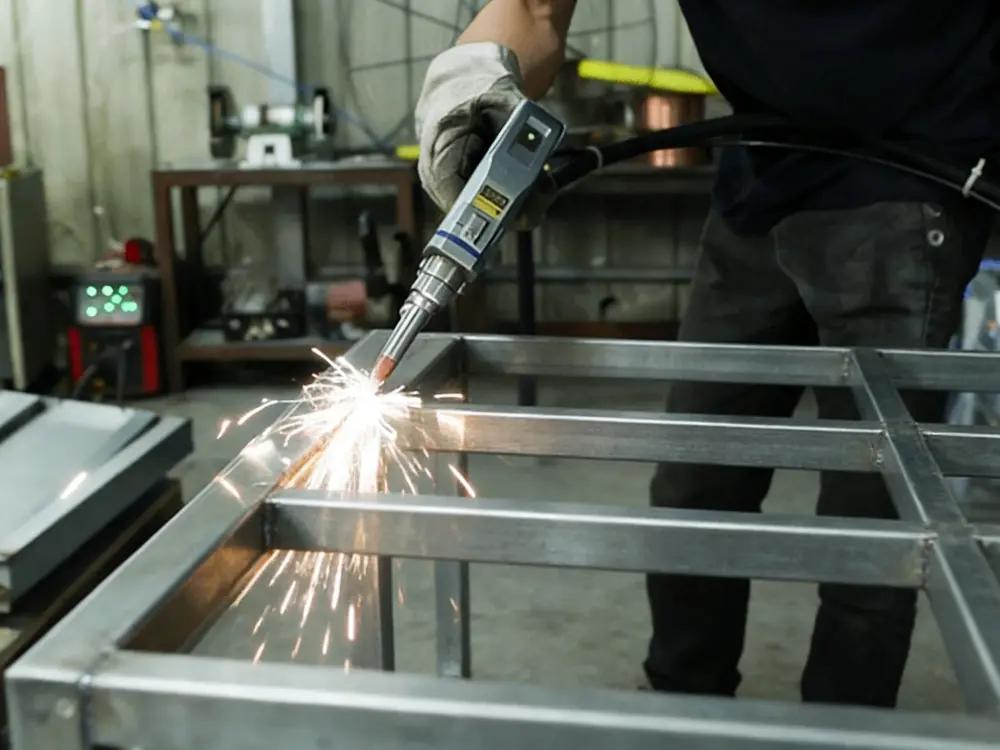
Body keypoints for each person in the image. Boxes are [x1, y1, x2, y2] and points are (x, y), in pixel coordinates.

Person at [414, 0, 999, 706]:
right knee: (693, 488)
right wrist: (472, 83)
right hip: (758, 182)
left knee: (870, 527)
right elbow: (534, 9)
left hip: (909, 190)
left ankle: (844, 725)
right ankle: (683, 703)